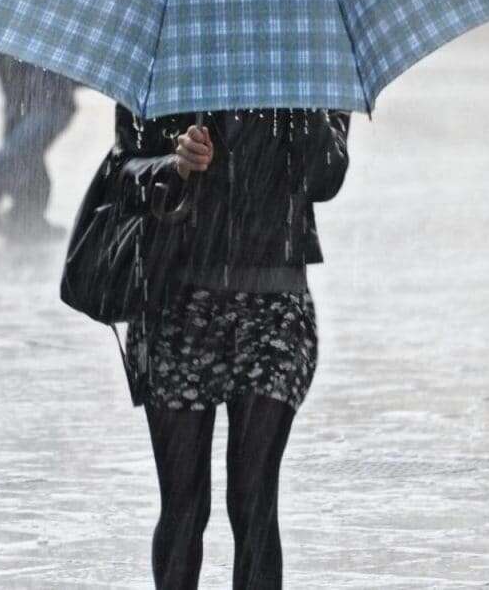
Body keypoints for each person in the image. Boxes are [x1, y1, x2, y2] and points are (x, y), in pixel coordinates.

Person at [105, 107, 349, 588]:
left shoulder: (309, 56)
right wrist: (172, 165)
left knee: (255, 501)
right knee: (183, 504)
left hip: (275, 310)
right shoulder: (173, 55)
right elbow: (121, 173)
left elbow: (326, 176)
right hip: (177, 306)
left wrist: (302, 97)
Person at [0, 50, 76, 242]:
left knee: (23, 104)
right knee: (53, 104)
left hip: (9, 32)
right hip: (37, 34)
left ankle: (26, 214)